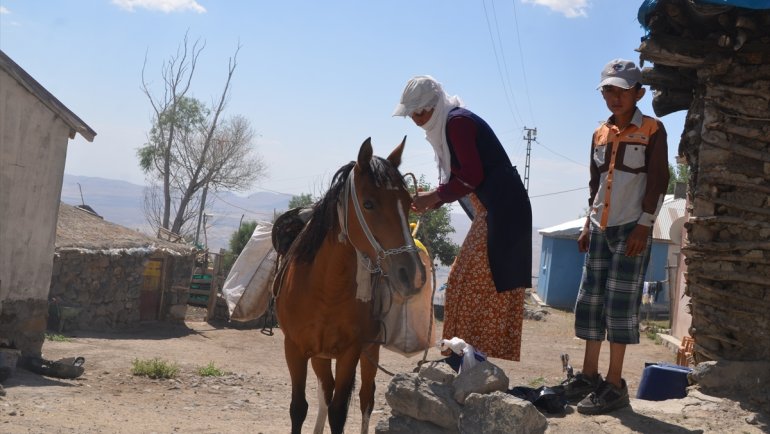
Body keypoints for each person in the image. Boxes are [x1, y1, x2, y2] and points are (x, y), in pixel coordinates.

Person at [393, 75, 532, 361]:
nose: (417, 119)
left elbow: (471, 176)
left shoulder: (457, 123)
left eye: (421, 111)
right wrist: (433, 199)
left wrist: (433, 197)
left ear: (435, 104)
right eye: (413, 114)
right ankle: (460, 354)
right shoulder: (448, 126)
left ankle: (466, 357)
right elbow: (461, 180)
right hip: (492, 210)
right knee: (464, 283)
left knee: (468, 283)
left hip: (502, 211)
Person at [561, 59, 670, 414]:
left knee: (619, 304)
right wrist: (586, 224)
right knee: (591, 300)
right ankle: (589, 375)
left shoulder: (653, 129)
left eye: (622, 90)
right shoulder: (599, 133)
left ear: (638, 93)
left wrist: (645, 224)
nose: (614, 97)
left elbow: (657, 181)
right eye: (608, 89)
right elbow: (595, 184)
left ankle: (614, 383)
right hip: (599, 226)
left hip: (631, 227)